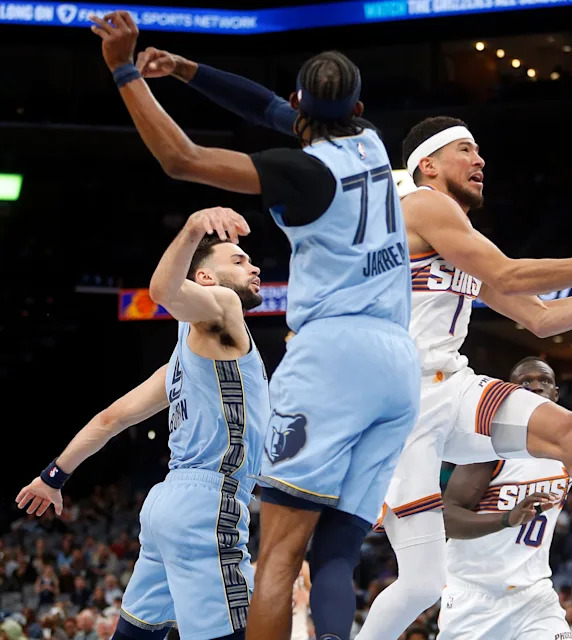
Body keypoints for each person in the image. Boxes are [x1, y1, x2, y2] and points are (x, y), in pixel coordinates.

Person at [133, 47, 572, 638]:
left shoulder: (439, 219)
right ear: (428, 164)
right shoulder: (420, 206)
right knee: (418, 580)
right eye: (466, 150)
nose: (480, 160)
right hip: (392, 396)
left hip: (443, 384)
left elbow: (538, 318)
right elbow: (511, 273)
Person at [89, 13, 420, 640]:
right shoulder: (373, 140)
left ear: (302, 106)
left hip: (335, 354)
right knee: (338, 552)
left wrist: (126, 70)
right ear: (358, 105)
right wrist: (188, 70)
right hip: (399, 360)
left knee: (276, 554)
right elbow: (268, 107)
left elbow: (181, 159)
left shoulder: (302, 172)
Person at [16, 208, 269, 640]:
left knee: (137, 635)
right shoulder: (225, 308)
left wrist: (53, 476)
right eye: (238, 260)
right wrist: (193, 230)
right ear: (205, 280)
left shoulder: (177, 367)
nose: (254, 265)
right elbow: (163, 290)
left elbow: (110, 419)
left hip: (165, 507)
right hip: (209, 504)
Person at [437, 357, 572, 639]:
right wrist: (507, 519)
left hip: (534, 596)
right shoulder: (489, 446)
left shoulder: (570, 454)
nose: (536, 387)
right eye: (526, 382)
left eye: (544, 381)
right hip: (474, 596)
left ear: (556, 394)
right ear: (511, 393)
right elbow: (447, 518)